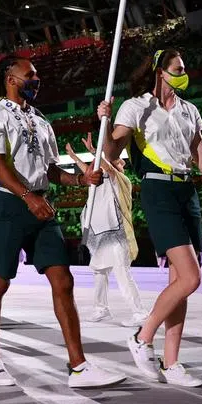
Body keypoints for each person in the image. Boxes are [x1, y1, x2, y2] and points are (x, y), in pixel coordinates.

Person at [100, 48, 202, 387]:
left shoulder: (189, 110)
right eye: (178, 68)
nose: (184, 73)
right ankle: (142, 335)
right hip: (157, 190)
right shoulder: (136, 106)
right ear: (159, 71)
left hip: (187, 192)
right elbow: (111, 153)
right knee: (191, 279)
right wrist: (105, 123)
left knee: (178, 283)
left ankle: (172, 363)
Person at [0, 56, 122, 389]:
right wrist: (28, 197)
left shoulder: (40, 120)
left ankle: (79, 366)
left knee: (63, 280)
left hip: (42, 204)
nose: (36, 79)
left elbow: (52, 170)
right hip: (10, 205)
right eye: (31, 74)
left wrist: (81, 180)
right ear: (11, 78)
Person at [67, 134, 146, 327]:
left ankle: (140, 312)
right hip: (99, 234)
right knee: (99, 272)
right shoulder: (98, 182)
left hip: (116, 234)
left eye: (116, 160)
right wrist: (74, 157)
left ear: (121, 165)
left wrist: (94, 151)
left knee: (121, 272)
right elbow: (89, 171)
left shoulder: (121, 179)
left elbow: (108, 169)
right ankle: (101, 308)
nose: (109, 164)